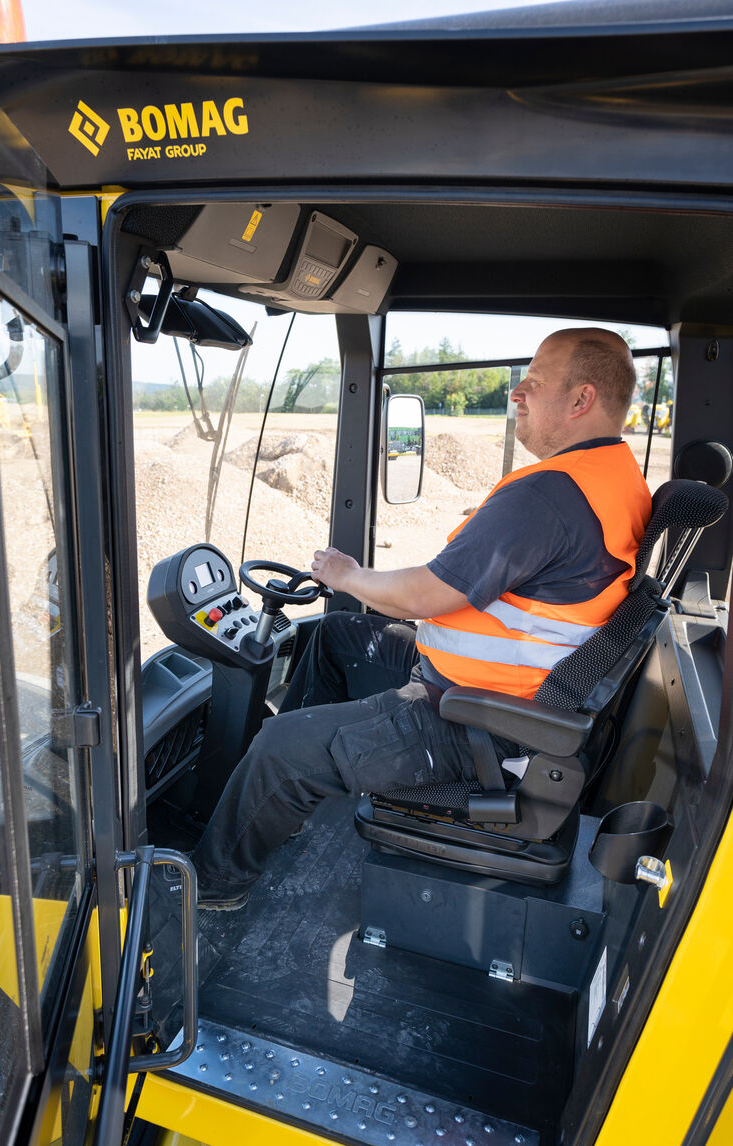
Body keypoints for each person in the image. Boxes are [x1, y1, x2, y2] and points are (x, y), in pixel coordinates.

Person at [191, 327, 652, 909]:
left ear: (581, 400)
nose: (516, 395)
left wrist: (346, 574)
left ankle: (211, 891)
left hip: (478, 723)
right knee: (335, 635)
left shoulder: (550, 497)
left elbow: (424, 595)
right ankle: (300, 797)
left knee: (279, 746)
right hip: (495, 689)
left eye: (532, 384)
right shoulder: (615, 478)